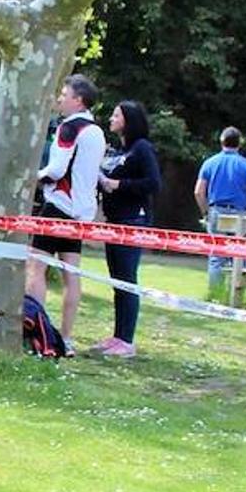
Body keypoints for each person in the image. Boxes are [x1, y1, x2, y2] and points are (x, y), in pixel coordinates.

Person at [26, 73, 106, 351]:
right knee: (71, 274)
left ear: (78, 100)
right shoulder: (97, 131)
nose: (60, 98)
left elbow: (57, 170)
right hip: (81, 213)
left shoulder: (69, 128)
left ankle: (39, 333)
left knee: (35, 267)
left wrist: (32, 177)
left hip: (58, 206)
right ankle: (67, 338)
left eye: (64, 94)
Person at [95, 101, 161, 357]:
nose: (111, 118)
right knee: (117, 281)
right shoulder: (116, 150)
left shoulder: (142, 148)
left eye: (116, 115)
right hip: (113, 220)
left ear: (129, 120)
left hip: (132, 221)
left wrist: (119, 185)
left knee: (127, 280)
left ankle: (127, 340)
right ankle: (118, 336)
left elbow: (154, 184)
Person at [195, 126, 246, 291]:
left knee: (216, 256)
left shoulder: (210, 163)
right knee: (238, 255)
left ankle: (216, 294)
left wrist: (206, 211)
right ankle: (235, 292)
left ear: (221, 141)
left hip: (217, 211)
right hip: (240, 213)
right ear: (240, 143)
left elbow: (198, 191)